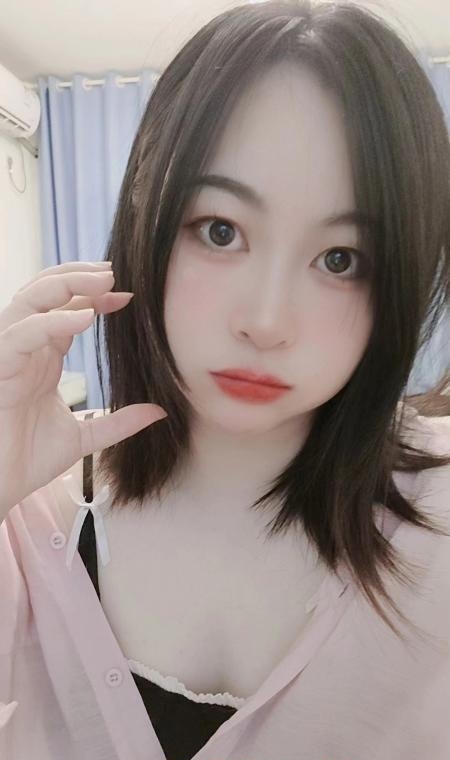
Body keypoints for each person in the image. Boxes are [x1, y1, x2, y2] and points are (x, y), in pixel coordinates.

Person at [1, 1, 450, 758]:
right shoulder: (30, 503)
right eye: (221, 231)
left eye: (340, 259)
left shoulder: (438, 523)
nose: (266, 321)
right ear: (147, 217)